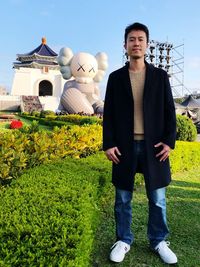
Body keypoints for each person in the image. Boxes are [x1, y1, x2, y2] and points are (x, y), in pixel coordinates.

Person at [103, 22, 177, 264]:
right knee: (122, 198)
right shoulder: (115, 78)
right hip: (124, 146)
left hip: (153, 147)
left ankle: (158, 240)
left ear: (147, 44)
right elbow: (110, 114)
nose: (136, 43)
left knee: (158, 199)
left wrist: (168, 142)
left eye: (140, 39)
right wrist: (109, 144)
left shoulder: (159, 76)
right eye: (131, 39)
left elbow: (169, 111)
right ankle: (123, 239)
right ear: (125, 45)